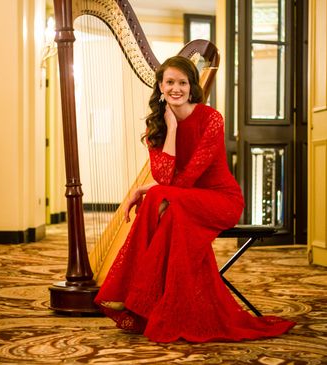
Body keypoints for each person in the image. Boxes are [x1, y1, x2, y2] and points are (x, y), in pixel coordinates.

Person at [94, 55, 295, 343]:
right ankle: (150, 300)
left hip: (220, 201)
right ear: (161, 87)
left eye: (182, 83)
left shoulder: (211, 119)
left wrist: (148, 189)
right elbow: (166, 177)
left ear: (192, 87)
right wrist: (171, 129)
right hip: (183, 201)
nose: (176, 89)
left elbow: (185, 180)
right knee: (168, 208)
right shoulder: (157, 128)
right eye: (170, 83)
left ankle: (134, 294)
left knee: (159, 197)